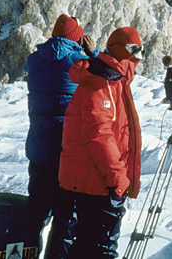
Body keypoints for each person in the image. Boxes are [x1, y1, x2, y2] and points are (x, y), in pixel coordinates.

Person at [48, 27, 144, 259]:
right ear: (121, 50)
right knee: (100, 250)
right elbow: (99, 135)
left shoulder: (114, 80)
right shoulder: (101, 84)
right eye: (135, 50)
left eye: (141, 51)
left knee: (85, 249)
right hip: (96, 184)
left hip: (95, 181)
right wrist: (118, 179)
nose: (138, 57)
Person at [25, 13, 98, 255]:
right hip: (67, 157)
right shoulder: (78, 62)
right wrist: (92, 54)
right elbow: (102, 81)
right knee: (64, 219)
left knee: (35, 218)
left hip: (38, 154)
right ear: (77, 39)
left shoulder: (33, 61)